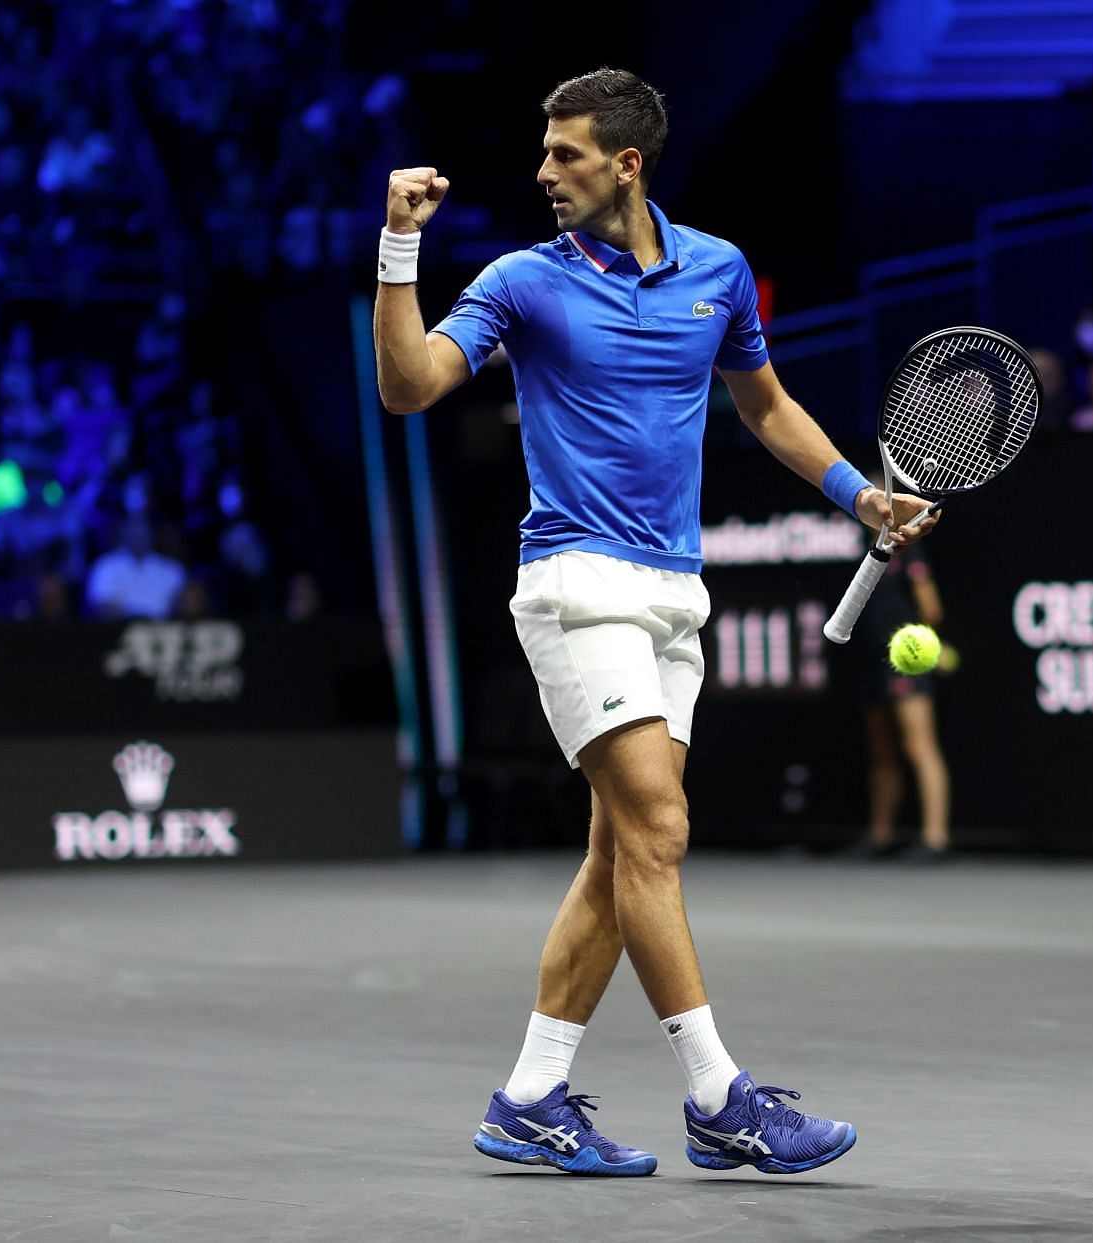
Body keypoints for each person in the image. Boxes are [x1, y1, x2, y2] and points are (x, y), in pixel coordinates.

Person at [371, 69, 937, 1177]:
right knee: (662, 831)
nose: (544, 174)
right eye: (543, 154)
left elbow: (764, 404)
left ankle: (530, 1095)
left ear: (628, 164)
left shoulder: (718, 271)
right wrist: (399, 249)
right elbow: (409, 386)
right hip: (577, 584)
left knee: (619, 852)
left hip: (676, 592)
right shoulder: (522, 282)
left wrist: (853, 493)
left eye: (567, 155)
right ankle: (720, 1095)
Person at [850, 531, 950, 862]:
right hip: (871, 662)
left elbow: (931, 609)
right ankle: (880, 835)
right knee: (882, 751)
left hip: (906, 663)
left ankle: (935, 838)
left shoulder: (909, 553)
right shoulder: (863, 552)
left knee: (919, 746)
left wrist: (919, 643)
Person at [83, 515, 186, 621]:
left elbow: (179, 608)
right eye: (132, 527)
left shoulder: (172, 569)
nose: (137, 533)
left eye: (142, 527)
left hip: (162, 632)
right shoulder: (104, 566)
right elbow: (101, 607)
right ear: (122, 531)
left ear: (152, 531)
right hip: (117, 630)